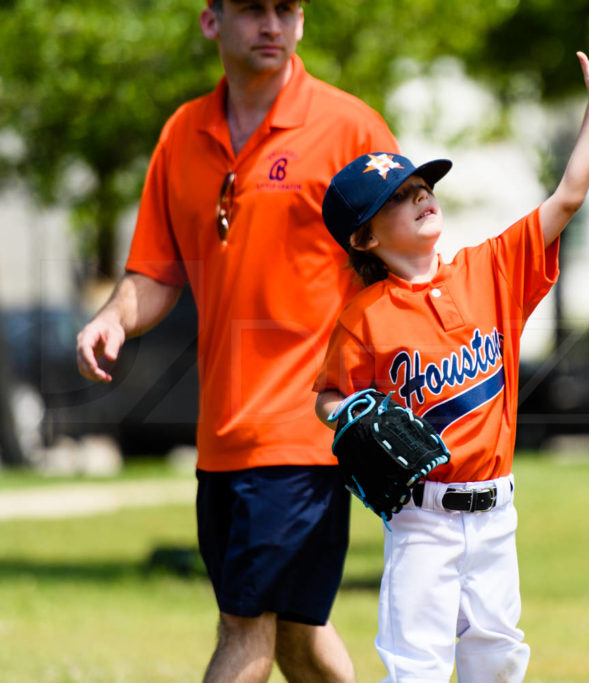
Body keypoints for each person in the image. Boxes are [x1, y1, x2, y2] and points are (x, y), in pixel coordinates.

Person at [75, 1, 398, 681]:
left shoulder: (350, 130)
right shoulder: (181, 133)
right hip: (222, 434)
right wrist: (113, 318)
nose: (271, 26)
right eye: (252, 9)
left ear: (303, 22)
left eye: (285, 9)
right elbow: (154, 273)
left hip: (305, 429)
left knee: (243, 628)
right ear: (211, 21)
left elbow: (405, 266)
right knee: (297, 636)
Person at [313, 34, 589, 682]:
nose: (421, 197)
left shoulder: (491, 269)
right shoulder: (365, 315)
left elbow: (567, 199)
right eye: (400, 198)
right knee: (417, 670)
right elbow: (328, 394)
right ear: (366, 236)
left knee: (496, 664)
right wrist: (352, 411)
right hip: (423, 521)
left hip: (495, 514)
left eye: (422, 186)